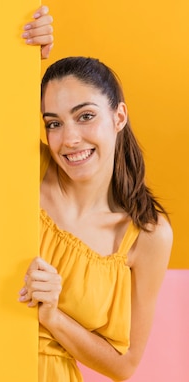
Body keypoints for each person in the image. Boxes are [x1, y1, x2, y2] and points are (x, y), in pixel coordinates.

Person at [17, 54, 174, 382]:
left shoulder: (147, 234)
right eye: (54, 123)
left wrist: (54, 317)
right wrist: (21, 48)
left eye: (85, 116)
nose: (69, 139)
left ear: (119, 116)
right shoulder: (25, 167)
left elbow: (125, 365)